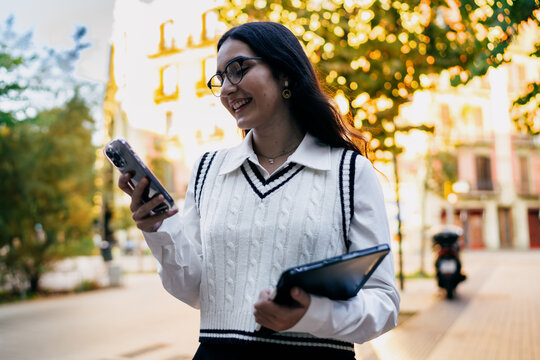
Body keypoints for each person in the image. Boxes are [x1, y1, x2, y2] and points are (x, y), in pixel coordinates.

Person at [118, 21, 399, 360]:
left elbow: (384, 304)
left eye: (237, 69)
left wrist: (309, 314)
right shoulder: (208, 169)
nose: (226, 89)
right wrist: (159, 228)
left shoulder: (350, 172)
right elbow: (193, 290)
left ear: (284, 73)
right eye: (220, 78)